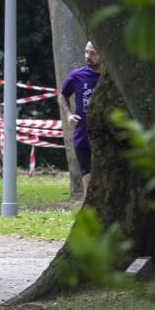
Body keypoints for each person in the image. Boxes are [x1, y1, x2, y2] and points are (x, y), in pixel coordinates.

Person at [58, 41, 104, 196]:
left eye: (93, 53)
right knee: (89, 185)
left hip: (108, 138)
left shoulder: (111, 78)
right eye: (86, 52)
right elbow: (62, 95)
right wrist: (69, 114)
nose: (88, 57)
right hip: (83, 137)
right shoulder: (77, 76)